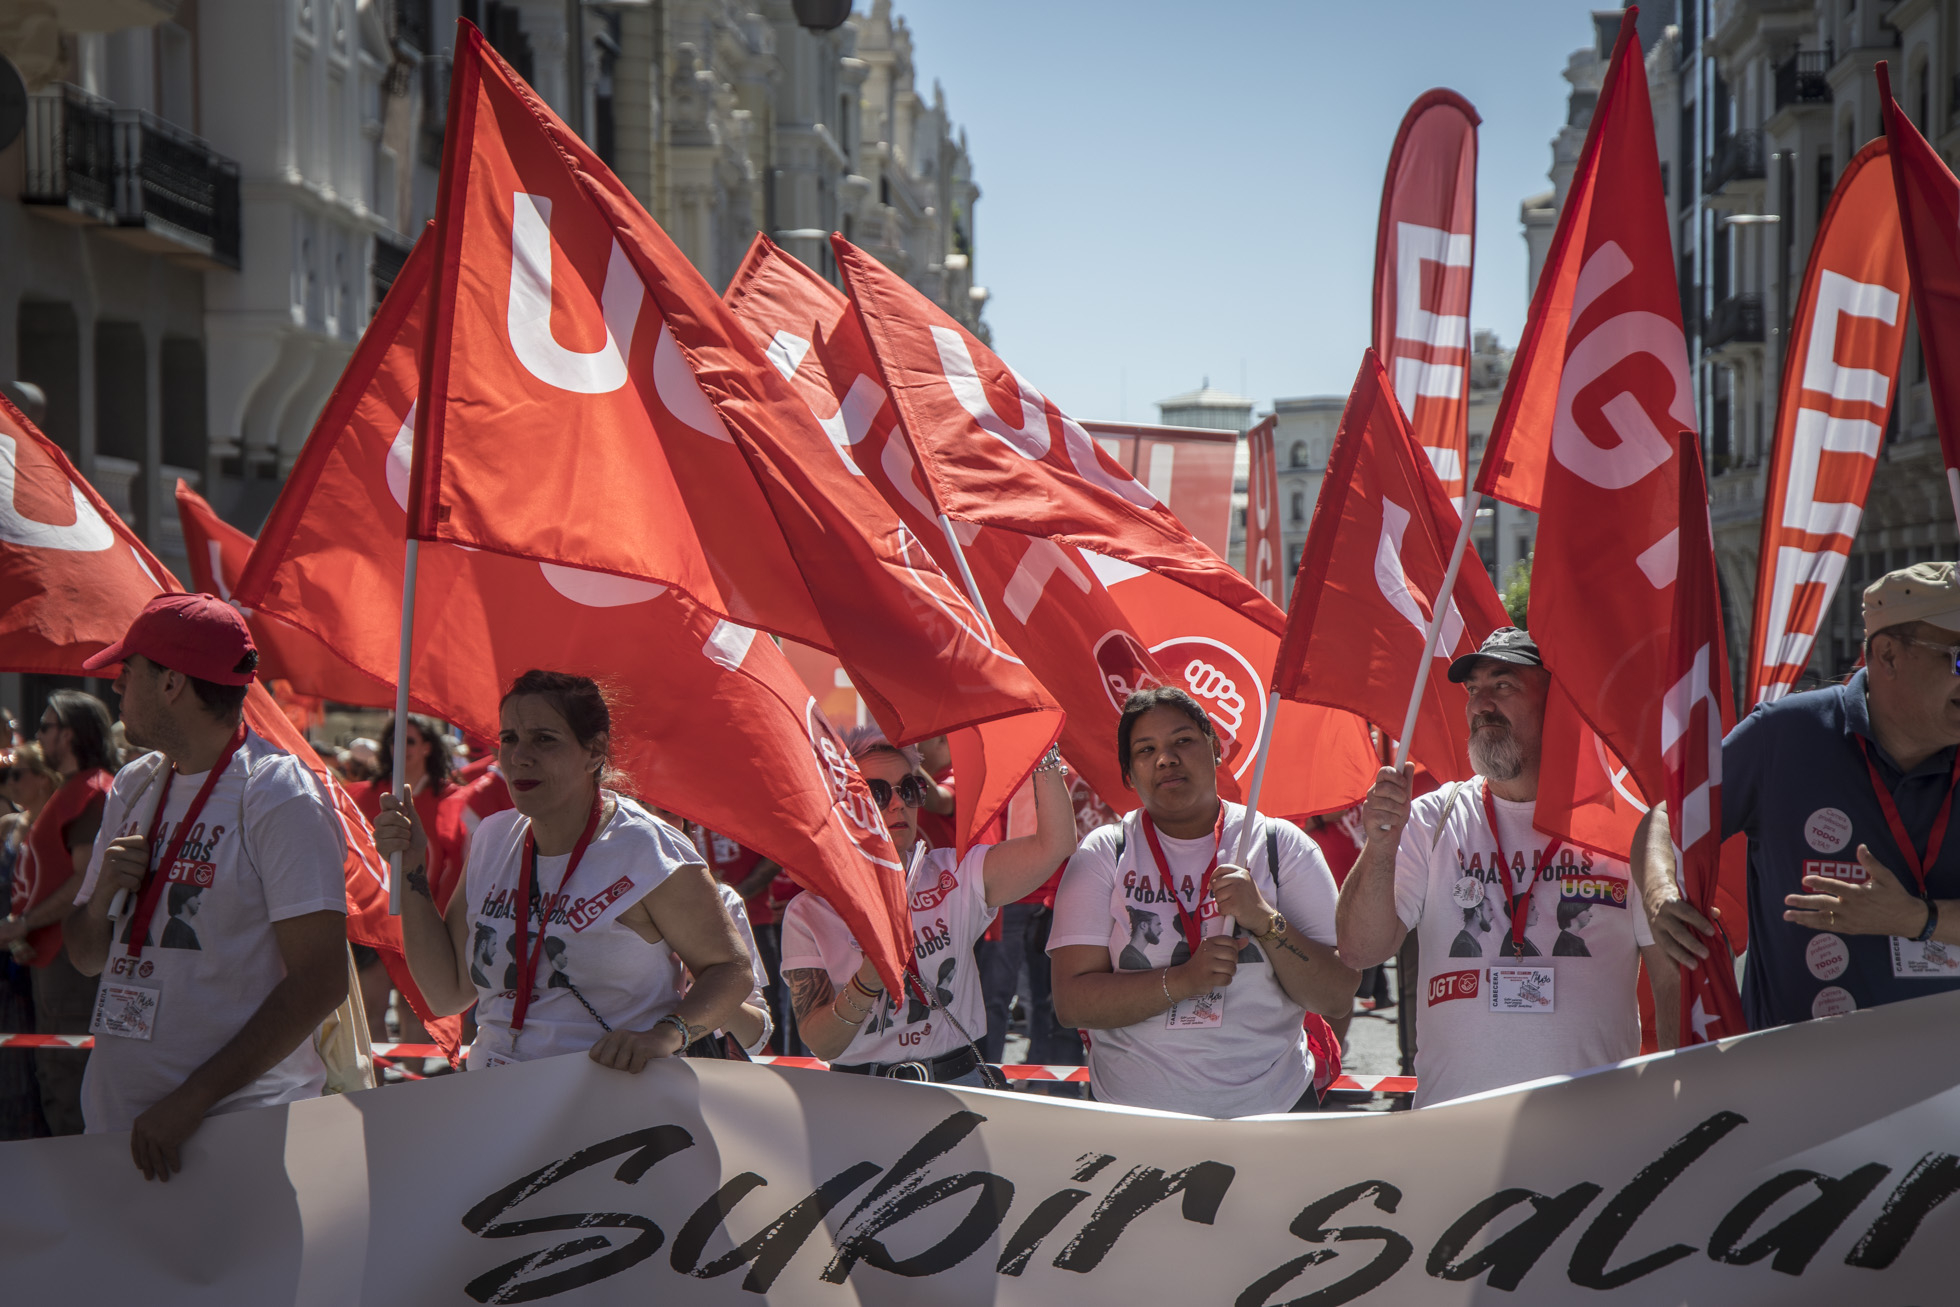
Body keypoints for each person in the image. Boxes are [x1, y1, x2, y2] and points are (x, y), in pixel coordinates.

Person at [64, 594, 350, 1179]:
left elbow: (321, 982)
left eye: (128, 672)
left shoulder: (276, 792)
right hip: (121, 1130)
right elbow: (86, 956)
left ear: (171, 684)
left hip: (237, 1135)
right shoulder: (136, 784)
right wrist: (99, 902)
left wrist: (192, 1102)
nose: (117, 689)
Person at [1336, 627, 1679, 1110]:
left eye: (1503, 685)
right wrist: (1379, 846)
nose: (1480, 704)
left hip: (1593, 1138)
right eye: (1473, 690)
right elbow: (1358, 950)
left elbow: (1671, 980)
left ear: (1557, 702)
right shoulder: (1433, 817)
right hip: (1454, 1134)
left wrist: (1682, 1100)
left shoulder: (1625, 826)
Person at [374, 670, 753, 1073]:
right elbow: (446, 993)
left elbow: (730, 970)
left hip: (611, 1102)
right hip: (497, 1095)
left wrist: (665, 1034)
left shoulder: (646, 847)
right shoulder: (493, 836)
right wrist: (411, 870)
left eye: (544, 739)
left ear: (594, 751)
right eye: (509, 739)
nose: (519, 756)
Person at [1633, 563, 1960, 1028]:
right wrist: (1661, 893)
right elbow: (1667, 819)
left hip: (1944, 1081)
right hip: (1797, 1081)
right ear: (1887, 655)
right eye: (1959, 658)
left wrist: (1915, 919)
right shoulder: (1783, 736)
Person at [1047, 688, 1357, 1117]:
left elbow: (1337, 995)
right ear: (1127, 774)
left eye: (1182, 741)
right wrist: (1183, 981)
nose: (1166, 759)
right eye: (1146, 749)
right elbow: (1072, 1002)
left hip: (1270, 1113)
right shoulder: (1105, 853)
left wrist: (1265, 921)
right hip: (1131, 1122)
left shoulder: (1280, 846)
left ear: (1214, 748)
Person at [780, 727, 1076, 1085]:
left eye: (908, 789)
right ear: (840, 806)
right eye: (876, 792)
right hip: (861, 1099)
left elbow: (1055, 844)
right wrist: (869, 979)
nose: (897, 803)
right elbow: (822, 1044)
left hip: (957, 1087)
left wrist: (1041, 748)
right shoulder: (808, 910)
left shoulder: (954, 871)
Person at [0, 693, 118, 1135]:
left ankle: (85, 1193)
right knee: (54, 1075)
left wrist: (25, 923)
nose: (37, 735)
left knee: (67, 1080)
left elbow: (86, 881)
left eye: (45, 727)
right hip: (52, 957)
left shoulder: (91, 791)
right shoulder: (70, 790)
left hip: (71, 960)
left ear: (68, 733)